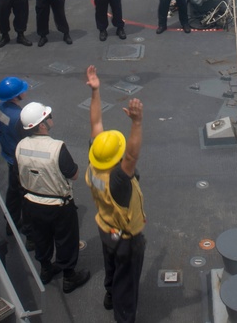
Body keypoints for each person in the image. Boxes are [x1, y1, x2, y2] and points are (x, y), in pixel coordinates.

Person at [84, 66, 146, 319]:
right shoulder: (118, 180)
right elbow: (131, 154)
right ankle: (123, 314)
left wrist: (96, 91)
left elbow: (96, 123)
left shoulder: (94, 165)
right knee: (127, 282)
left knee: (110, 265)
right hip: (126, 238)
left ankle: (109, 293)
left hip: (105, 227)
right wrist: (137, 122)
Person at [15, 101, 90, 293]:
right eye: (48, 117)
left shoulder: (21, 146)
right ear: (42, 125)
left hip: (32, 202)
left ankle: (46, 270)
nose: (51, 118)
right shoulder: (57, 147)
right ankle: (69, 277)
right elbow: (73, 174)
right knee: (66, 239)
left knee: (41, 238)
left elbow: (19, 173)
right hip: (58, 205)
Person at [0, 76, 34, 249]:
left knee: (13, 192)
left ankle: (11, 223)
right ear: (16, 96)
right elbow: (28, 138)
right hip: (20, 159)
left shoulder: (0, 107)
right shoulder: (19, 117)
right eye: (22, 90)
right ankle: (30, 232)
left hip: (9, 154)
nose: (25, 91)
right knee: (27, 195)